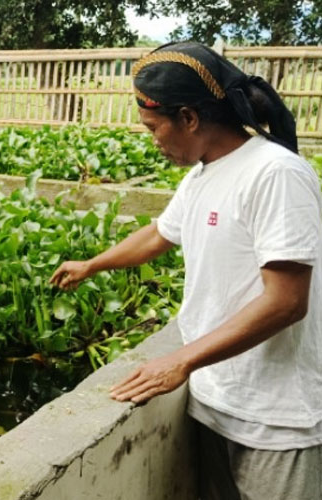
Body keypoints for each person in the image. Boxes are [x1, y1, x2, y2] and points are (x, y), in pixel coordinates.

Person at [49, 42, 322, 500]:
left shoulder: (275, 173)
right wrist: (92, 265)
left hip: (274, 419)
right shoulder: (202, 174)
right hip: (216, 399)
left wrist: (181, 360)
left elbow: (287, 301)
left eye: (154, 127)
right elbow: (160, 233)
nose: (153, 140)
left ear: (190, 119)